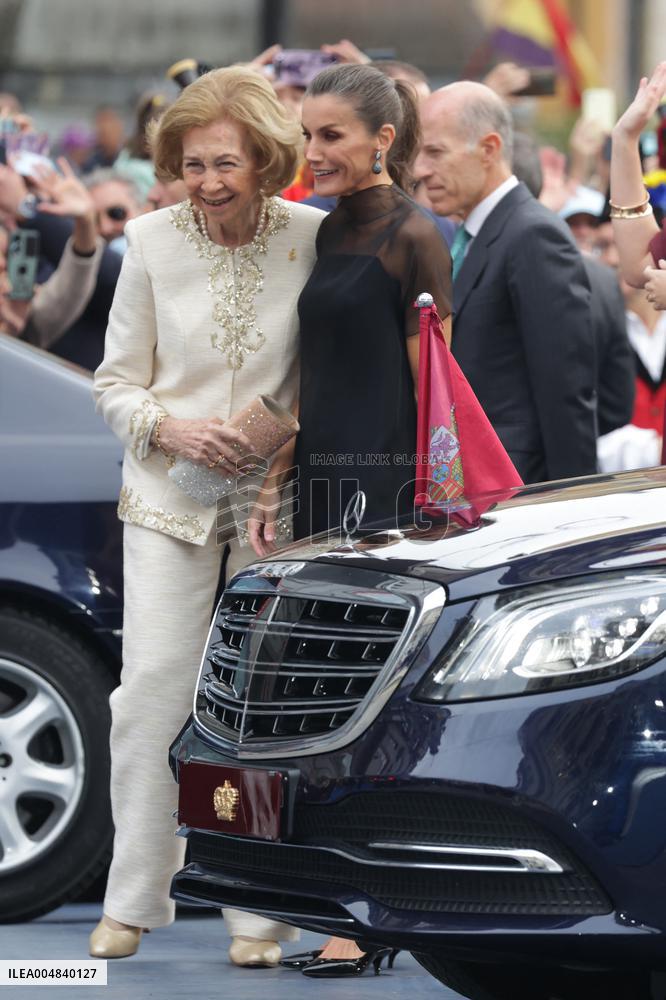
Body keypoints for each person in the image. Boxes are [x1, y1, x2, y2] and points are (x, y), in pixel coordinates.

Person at [90, 65, 324, 965]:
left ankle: (256, 913)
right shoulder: (148, 242)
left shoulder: (312, 236)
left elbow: (327, 372)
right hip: (168, 497)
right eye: (193, 164)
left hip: (275, 504)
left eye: (226, 162)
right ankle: (131, 901)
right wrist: (172, 429)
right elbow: (115, 382)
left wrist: (280, 450)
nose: (209, 181)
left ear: (265, 159)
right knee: (151, 694)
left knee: (258, 702)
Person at [249, 65, 451, 977]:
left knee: (368, 702)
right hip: (322, 487)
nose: (315, 150)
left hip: (384, 499)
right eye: (308, 134)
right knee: (312, 693)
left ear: (382, 139)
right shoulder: (328, 229)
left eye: (332, 135)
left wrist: (427, 512)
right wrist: (274, 483)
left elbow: (434, 394)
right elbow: (315, 377)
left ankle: (371, 916)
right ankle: (332, 898)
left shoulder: (418, 236)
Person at [415, 81, 597, 484]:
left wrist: (574, 499)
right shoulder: (472, 235)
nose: (420, 170)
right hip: (469, 483)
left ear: (489, 149)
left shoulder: (533, 235)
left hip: (518, 487)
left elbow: (565, 389)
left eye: (435, 152)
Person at [0, 159, 104, 347]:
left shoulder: (19, 310)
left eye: (4, 259)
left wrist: (86, 222)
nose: (1, 264)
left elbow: (69, 291)